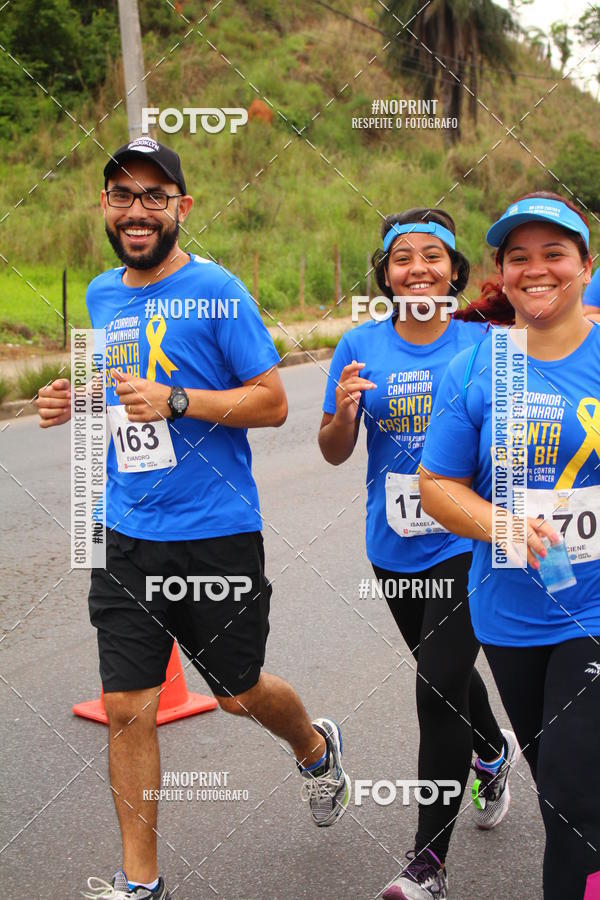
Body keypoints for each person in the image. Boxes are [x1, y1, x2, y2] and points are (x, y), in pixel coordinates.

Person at [36, 138, 350, 900]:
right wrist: (76, 399)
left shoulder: (220, 290)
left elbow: (272, 402)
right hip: (127, 530)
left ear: (181, 206)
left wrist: (178, 401)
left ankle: (313, 746)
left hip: (215, 531)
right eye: (121, 195)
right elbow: (123, 389)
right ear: (104, 208)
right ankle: (141, 882)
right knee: (126, 707)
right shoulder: (103, 294)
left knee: (238, 693)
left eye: (153, 195)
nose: (136, 210)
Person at [318, 209, 515, 900]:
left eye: (433, 256)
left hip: (469, 542)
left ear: (456, 271)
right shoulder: (359, 345)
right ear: (386, 274)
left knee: (435, 687)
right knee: (451, 682)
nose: (418, 268)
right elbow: (334, 449)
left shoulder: (488, 340)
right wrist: (343, 412)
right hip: (394, 548)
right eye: (403, 258)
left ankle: (426, 864)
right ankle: (491, 753)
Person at [420, 191, 600, 900]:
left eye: (554, 253)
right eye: (518, 257)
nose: (537, 269)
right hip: (509, 615)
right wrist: (500, 524)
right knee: (567, 796)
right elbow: (436, 484)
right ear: (502, 273)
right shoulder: (476, 368)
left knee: (571, 787)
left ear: (585, 266)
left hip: (593, 610)